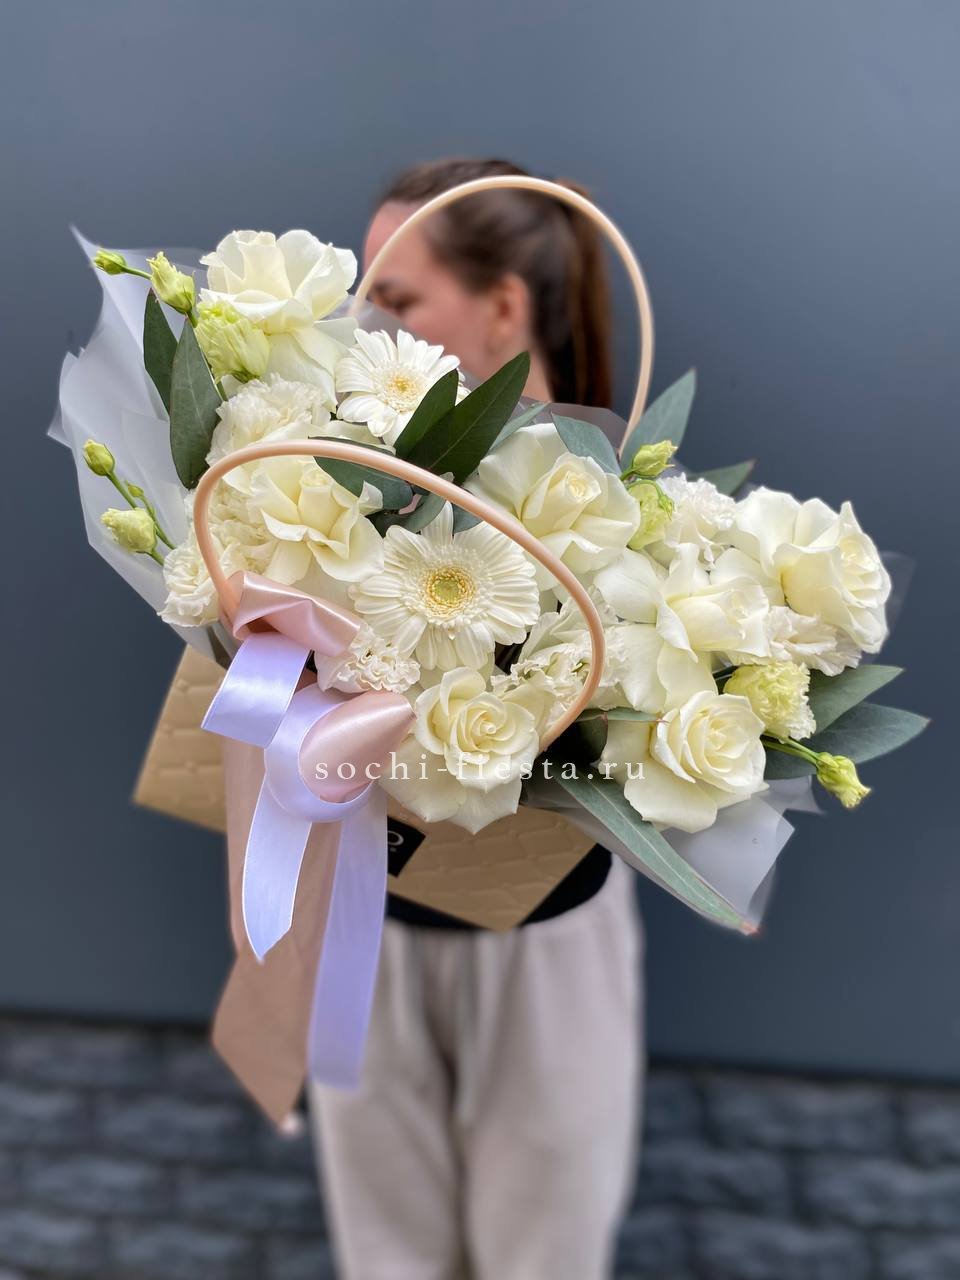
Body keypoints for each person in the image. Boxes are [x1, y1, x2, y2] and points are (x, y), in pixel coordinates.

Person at [309, 157, 644, 1280]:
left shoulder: (632, 513)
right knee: (385, 1258)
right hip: (368, 925)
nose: (365, 324)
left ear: (504, 306)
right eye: (362, 294)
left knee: (544, 1254)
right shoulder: (336, 481)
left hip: (544, 942)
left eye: (397, 298)